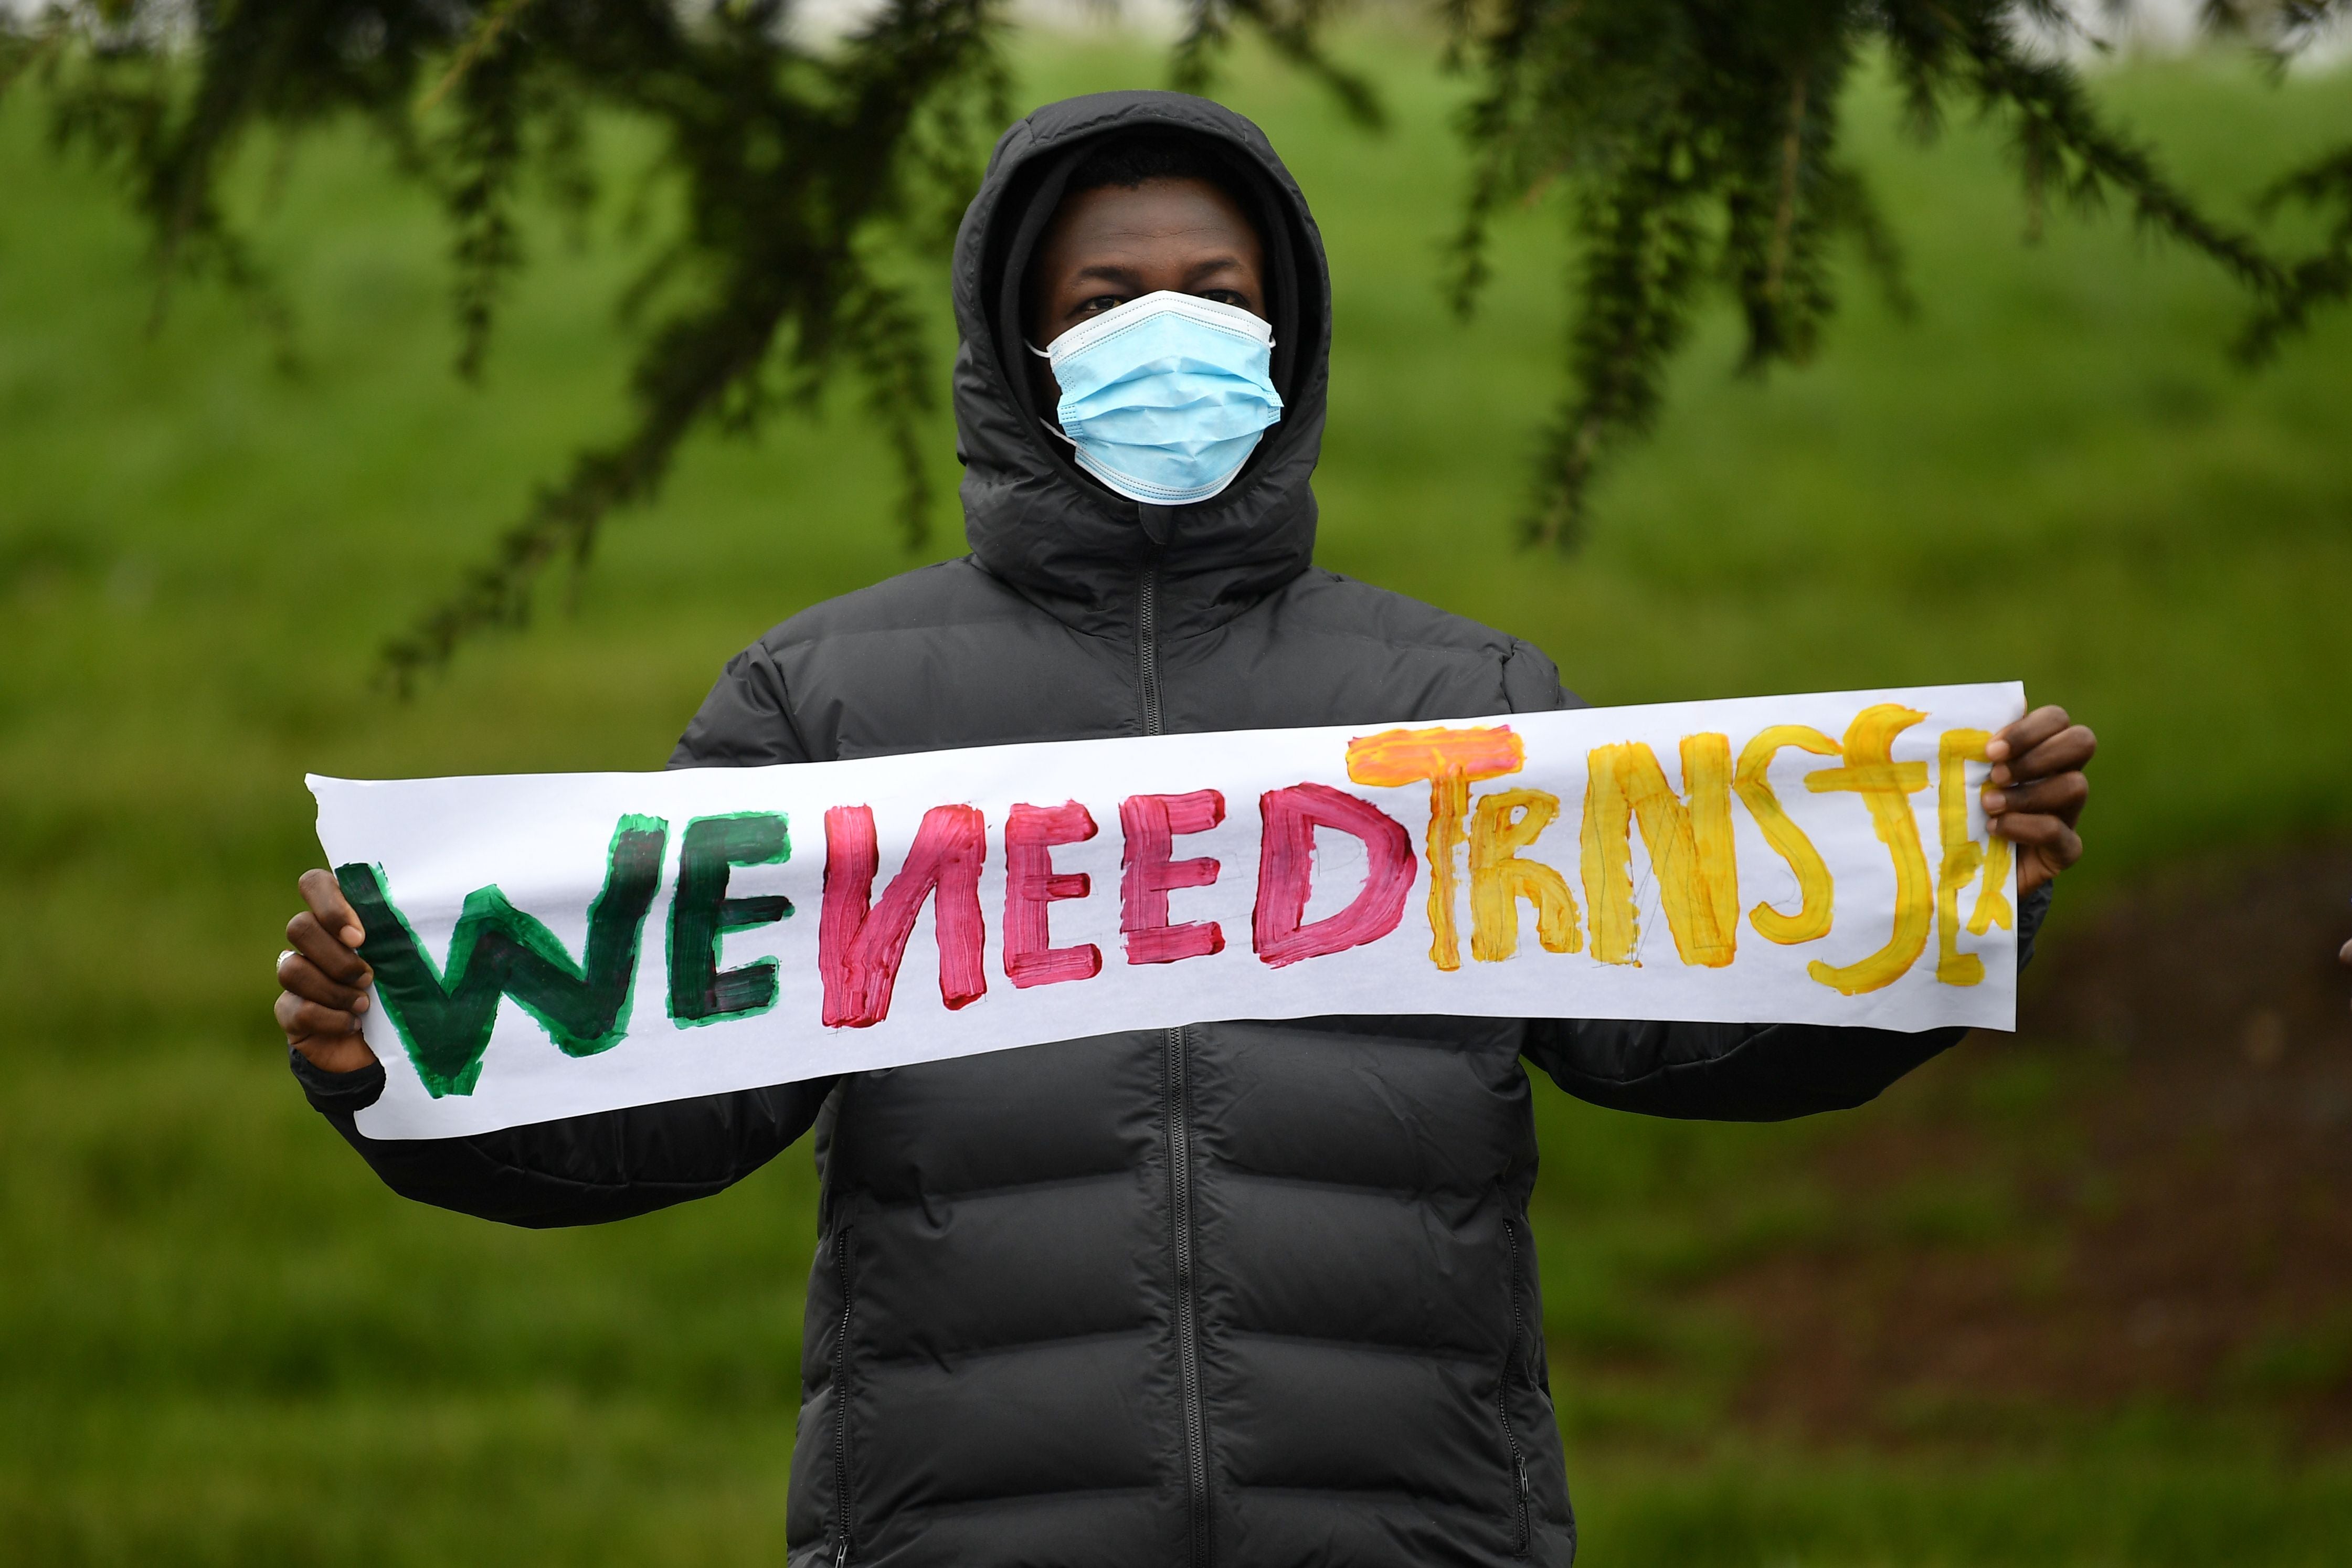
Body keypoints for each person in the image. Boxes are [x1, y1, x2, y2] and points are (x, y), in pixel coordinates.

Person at [274, 92, 2096, 1568]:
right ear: (1017, 342)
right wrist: (395, 1058)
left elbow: (1663, 1028)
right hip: (965, 1524)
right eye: (1103, 298)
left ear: (1286, 332)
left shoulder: (1462, 705)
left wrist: (1943, 903)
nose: (1168, 328)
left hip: (1407, 1518)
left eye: (1217, 291)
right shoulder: (825, 708)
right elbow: (675, 1095)